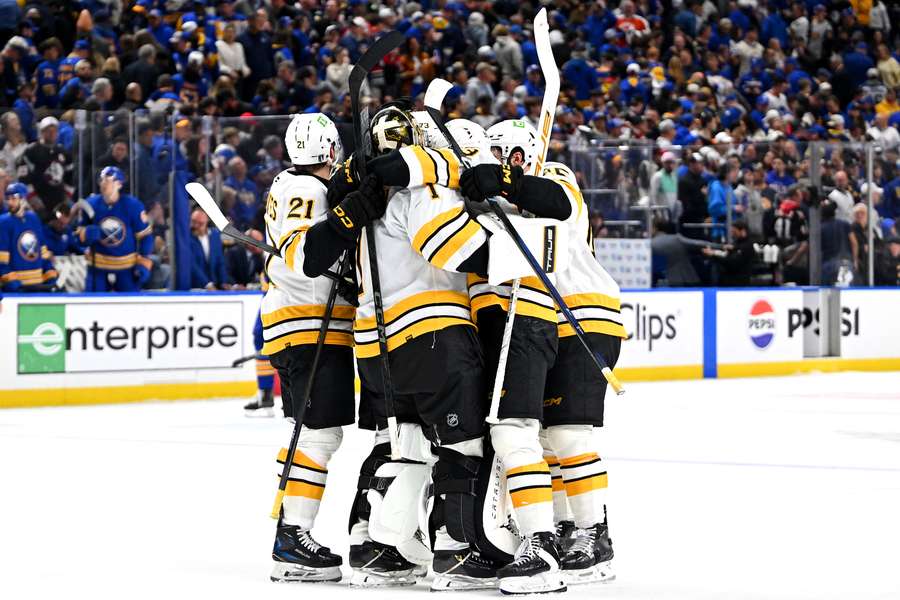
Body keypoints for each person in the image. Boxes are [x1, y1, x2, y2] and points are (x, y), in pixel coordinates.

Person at [306, 108, 497, 589]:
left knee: (404, 445)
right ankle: (457, 551)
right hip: (433, 334)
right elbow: (445, 245)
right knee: (464, 443)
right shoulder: (421, 187)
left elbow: (331, 267)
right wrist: (511, 250)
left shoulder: (362, 204)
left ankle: (376, 545)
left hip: (373, 347)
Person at [260, 113, 356, 583]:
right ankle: (292, 537)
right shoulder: (307, 190)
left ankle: (290, 530)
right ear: (331, 151)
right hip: (306, 322)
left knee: (314, 432)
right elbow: (303, 259)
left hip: (303, 321)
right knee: (317, 435)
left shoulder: (293, 185)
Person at [535, 161, 627, 585]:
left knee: (568, 433)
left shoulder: (553, 176)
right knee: (544, 438)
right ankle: (563, 526)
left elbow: (555, 200)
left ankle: (596, 534)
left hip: (584, 314)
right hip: (550, 320)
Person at [77, 167, 152, 292]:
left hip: (126, 267)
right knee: (94, 304)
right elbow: (77, 235)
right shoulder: (90, 204)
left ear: (119, 184)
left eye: (108, 180)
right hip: (98, 266)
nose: (103, 183)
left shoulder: (133, 205)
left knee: (129, 305)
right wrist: (85, 234)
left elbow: (145, 235)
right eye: (101, 180)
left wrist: (144, 262)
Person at [0, 182, 57, 291]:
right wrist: (13, 284)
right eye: (8, 199)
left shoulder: (33, 219)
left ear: (23, 199)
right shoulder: (3, 222)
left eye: (14, 198)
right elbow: (2, 262)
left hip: (38, 286)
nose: (10, 202)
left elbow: (42, 252)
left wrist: (50, 275)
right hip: (16, 290)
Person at [17, 116, 72, 218]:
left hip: (59, 201)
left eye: (54, 130)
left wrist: (67, 197)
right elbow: (23, 177)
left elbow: (71, 176)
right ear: (42, 132)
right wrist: (32, 197)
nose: (52, 133)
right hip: (38, 201)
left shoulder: (63, 152)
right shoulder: (31, 151)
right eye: (48, 130)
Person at [702, 220, 755, 286]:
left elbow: (732, 262)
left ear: (742, 231)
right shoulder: (737, 244)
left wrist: (713, 255)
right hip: (729, 280)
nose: (732, 234)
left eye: (734, 231)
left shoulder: (747, 246)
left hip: (738, 283)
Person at [188, 209, 227, 290]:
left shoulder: (215, 235)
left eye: (200, 223)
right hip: (195, 287)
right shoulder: (187, 238)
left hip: (215, 285)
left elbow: (220, 261)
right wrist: (207, 284)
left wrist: (224, 282)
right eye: (193, 222)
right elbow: (192, 264)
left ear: (206, 222)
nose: (196, 226)